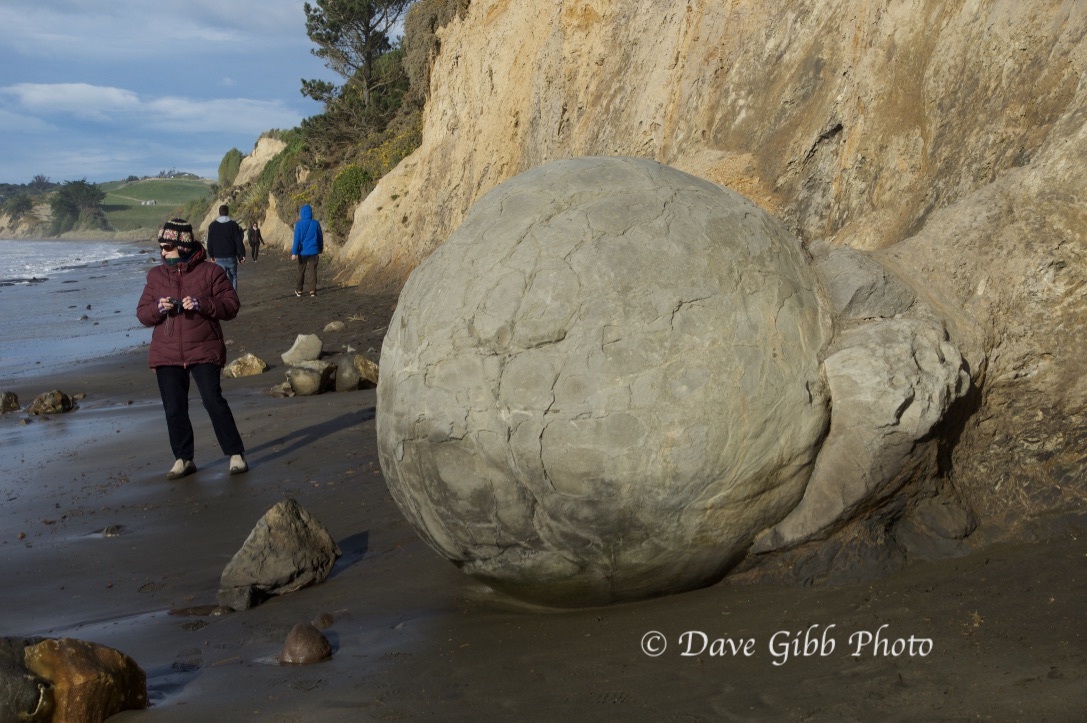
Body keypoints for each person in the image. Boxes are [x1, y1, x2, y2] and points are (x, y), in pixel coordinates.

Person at [136, 218, 248, 479]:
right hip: (166, 353)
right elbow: (142, 314)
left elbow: (231, 306)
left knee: (213, 401)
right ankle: (183, 459)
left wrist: (202, 304)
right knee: (174, 408)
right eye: (161, 247)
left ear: (182, 247)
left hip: (204, 348)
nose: (162, 252)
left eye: (166, 247)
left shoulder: (211, 272)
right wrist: (158, 308)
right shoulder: (155, 276)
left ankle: (235, 454)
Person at [206, 204, 246, 290]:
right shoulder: (233, 225)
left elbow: (210, 242)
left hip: (218, 257)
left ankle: (223, 299)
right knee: (233, 277)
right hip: (231, 256)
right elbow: (238, 241)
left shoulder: (213, 226)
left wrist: (211, 255)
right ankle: (233, 300)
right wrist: (242, 255)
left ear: (219, 213)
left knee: (220, 279)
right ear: (228, 212)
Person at [291, 203, 324, 297]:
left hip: (302, 253)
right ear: (311, 213)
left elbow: (296, 240)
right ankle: (312, 291)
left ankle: (299, 290)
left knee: (301, 271)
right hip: (314, 251)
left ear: (301, 213)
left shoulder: (298, 225)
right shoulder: (316, 223)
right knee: (312, 271)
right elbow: (320, 238)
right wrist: (320, 249)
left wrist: (294, 253)